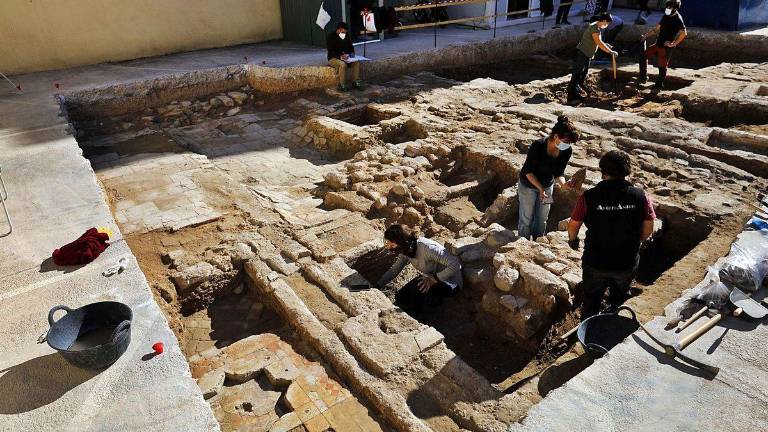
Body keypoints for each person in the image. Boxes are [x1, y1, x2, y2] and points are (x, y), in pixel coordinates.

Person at [567, 150, 656, 318]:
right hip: (626, 262)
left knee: (591, 300)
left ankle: (588, 327)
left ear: (603, 172)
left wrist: (573, 240)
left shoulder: (589, 196)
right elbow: (648, 229)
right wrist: (632, 241)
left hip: (595, 262)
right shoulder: (641, 197)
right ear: (626, 171)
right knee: (618, 299)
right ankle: (611, 322)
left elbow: (573, 225)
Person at [517, 116, 581, 240]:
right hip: (528, 185)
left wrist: (563, 184)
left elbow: (559, 172)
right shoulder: (538, 145)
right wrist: (540, 189)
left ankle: (538, 241)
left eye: (569, 143)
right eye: (566, 142)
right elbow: (528, 172)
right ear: (556, 136)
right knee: (526, 217)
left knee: (542, 218)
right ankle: (522, 242)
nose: (567, 145)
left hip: (547, 185)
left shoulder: (566, 150)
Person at [376, 225, 462, 315]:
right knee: (401, 297)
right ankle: (432, 298)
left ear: (400, 241)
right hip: (432, 277)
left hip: (451, 282)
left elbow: (455, 265)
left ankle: (418, 316)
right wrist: (378, 285)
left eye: (391, 243)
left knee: (419, 285)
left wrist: (434, 279)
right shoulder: (406, 250)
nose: (389, 246)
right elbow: (394, 270)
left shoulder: (427, 247)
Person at [567, 13, 618, 104]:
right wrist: (610, 51)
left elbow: (597, 41)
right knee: (577, 74)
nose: (607, 25)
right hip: (582, 53)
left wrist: (606, 45)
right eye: (607, 23)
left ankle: (579, 91)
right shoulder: (595, 28)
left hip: (587, 54)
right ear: (604, 21)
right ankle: (571, 97)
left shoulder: (596, 27)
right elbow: (598, 42)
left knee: (583, 74)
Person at [639, 0, 687, 90]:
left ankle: (659, 85)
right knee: (643, 56)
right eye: (667, 7)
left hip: (665, 47)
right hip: (658, 43)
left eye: (669, 7)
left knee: (662, 66)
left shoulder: (678, 19)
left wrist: (673, 43)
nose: (667, 9)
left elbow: (684, 33)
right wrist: (646, 35)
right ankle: (643, 77)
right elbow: (656, 28)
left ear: (675, 8)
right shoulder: (666, 16)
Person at [327, 22, 362, 92]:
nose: (345, 34)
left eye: (345, 32)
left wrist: (351, 53)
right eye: (343, 32)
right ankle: (342, 85)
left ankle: (356, 82)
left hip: (346, 57)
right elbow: (330, 51)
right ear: (339, 30)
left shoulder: (346, 35)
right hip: (333, 58)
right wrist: (340, 56)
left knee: (356, 62)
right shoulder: (331, 36)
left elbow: (350, 46)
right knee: (343, 65)